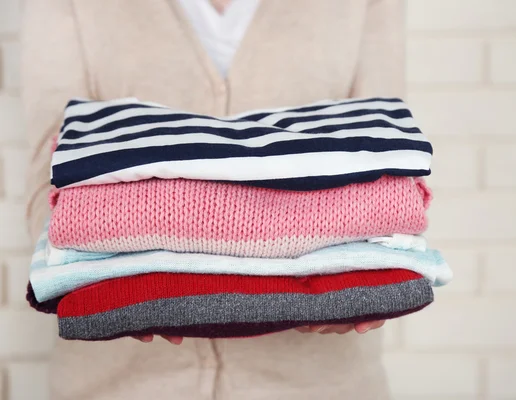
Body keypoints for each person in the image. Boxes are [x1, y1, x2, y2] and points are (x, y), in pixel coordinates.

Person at [21, 0, 406, 398]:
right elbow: (50, 170)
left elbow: (387, 151)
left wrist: (368, 276)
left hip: (320, 382)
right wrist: (117, 285)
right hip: (122, 383)